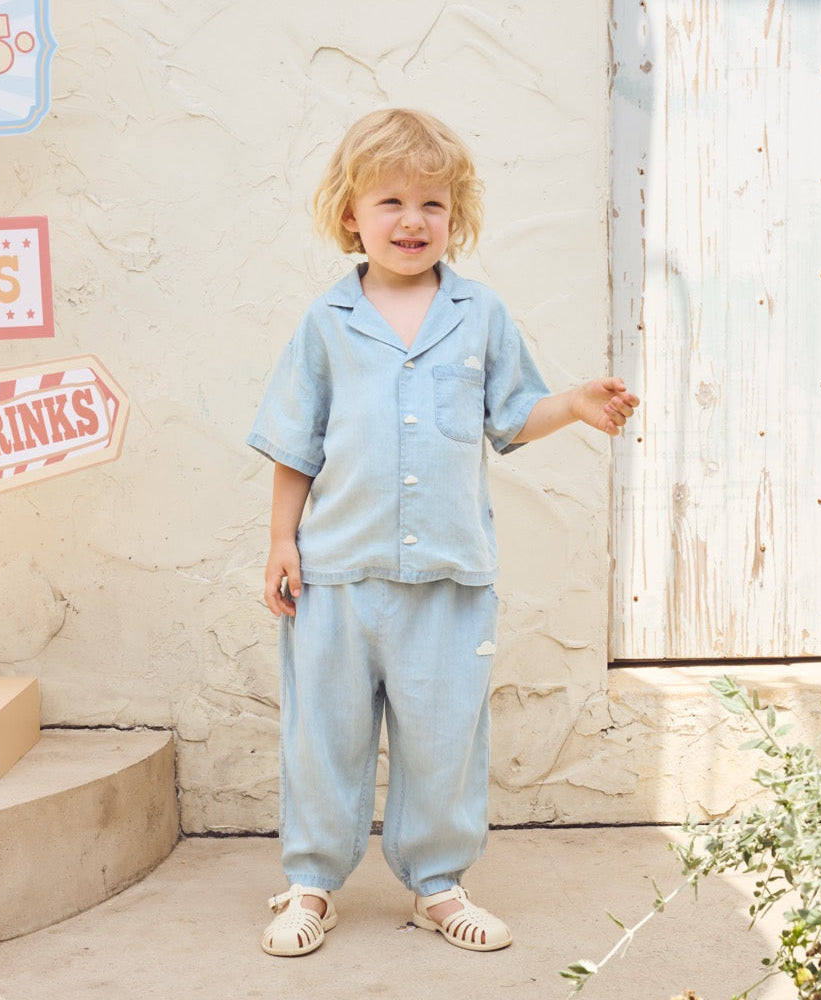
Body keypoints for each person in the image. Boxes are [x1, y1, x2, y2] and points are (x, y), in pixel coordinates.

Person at [247, 108, 639, 957]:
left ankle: (436, 885)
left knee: (444, 741)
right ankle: (311, 882)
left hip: (452, 578)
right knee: (323, 734)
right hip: (338, 575)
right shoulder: (326, 323)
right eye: (390, 201)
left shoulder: (481, 314)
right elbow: (294, 442)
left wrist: (570, 404)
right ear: (350, 212)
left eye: (433, 203)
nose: (413, 220)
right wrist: (282, 541)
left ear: (454, 215)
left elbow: (510, 418)